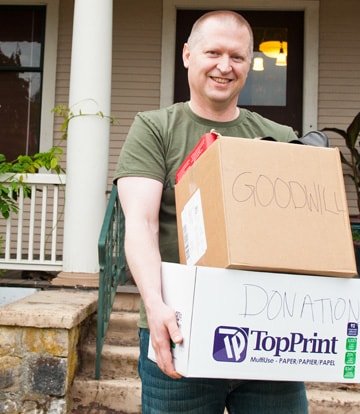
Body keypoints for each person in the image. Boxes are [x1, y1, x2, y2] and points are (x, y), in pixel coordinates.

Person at [114, 10, 308, 414]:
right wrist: (154, 303)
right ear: (188, 55)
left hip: (267, 333)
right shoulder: (156, 128)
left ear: (249, 63)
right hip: (181, 329)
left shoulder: (280, 138)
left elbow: (302, 236)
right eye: (213, 53)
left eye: (237, 57)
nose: (225, 66)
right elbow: (142, 223)